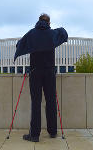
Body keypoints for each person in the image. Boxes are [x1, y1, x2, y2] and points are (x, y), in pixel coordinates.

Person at [14, 13, 68, 142]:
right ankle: (53, 131)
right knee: (51, 101)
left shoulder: (31, 34)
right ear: (49, 23)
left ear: (38, 21)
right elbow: (64, 33)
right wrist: (58, 29)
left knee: (36, 102)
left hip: (35, 71)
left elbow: (19, 44)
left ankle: (34, 135)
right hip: (49, 72)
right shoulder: (53, 34)